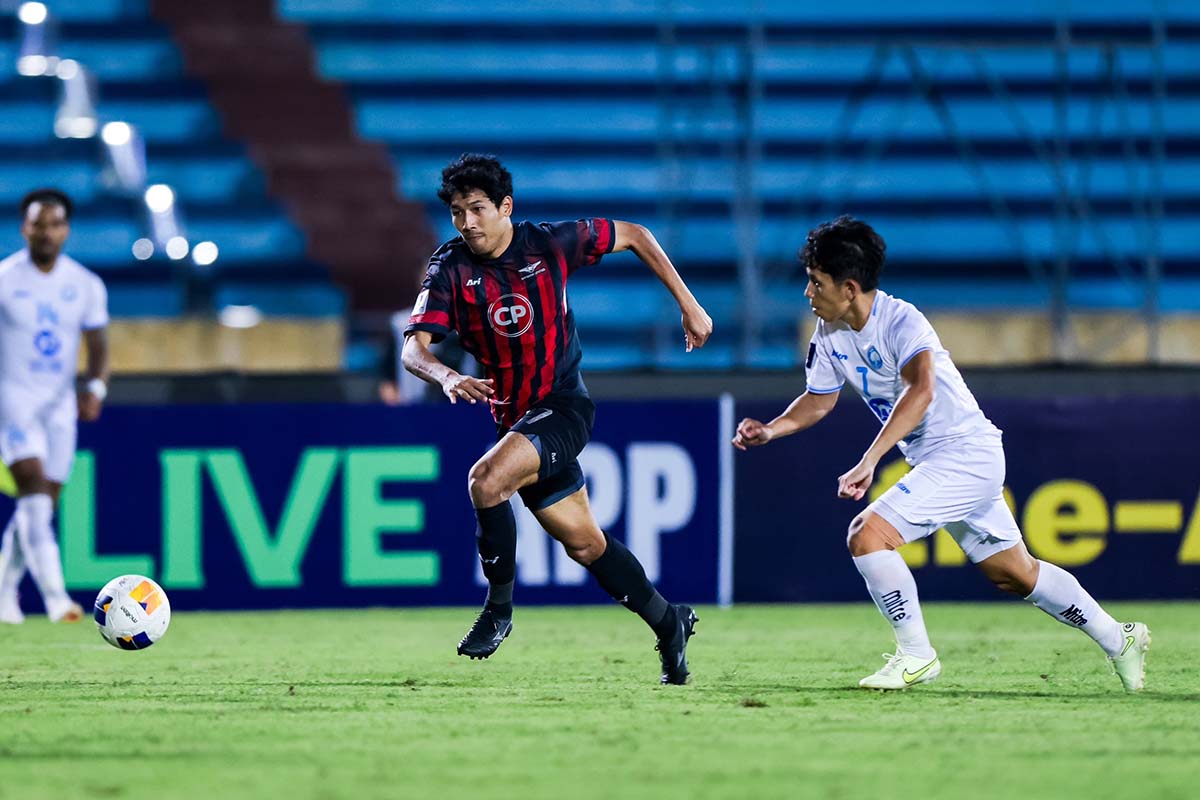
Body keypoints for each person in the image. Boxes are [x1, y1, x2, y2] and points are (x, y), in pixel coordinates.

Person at [732, 215, 1150, 692]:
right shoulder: (828, 335)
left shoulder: (901, 320)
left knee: (866, 535)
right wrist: (771, 429)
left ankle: (916, 656)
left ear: (849, 287)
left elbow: (921, 392)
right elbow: (819, 400)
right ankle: (1121, 639)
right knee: (1015, 574)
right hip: (940, 462)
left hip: (966, 454)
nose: (808, 293)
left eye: (815, 282)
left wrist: (869, 461)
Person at [403, 154, 713, 684]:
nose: (467, 223)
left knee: (485, 480)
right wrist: (447, 377)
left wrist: (689, 304)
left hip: (564, 406)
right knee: (585, 544)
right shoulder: (450, 267)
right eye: (457, 212)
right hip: (515, 421)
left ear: (506, 207)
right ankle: (670, 622)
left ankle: (498, 610)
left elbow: (635, 234)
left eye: (477, 209)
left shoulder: (549, 244)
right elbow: (414, 349)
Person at [0, 189, 109, 624]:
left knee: (43, 503)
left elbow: (98, 343)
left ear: (66, 230)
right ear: (24, 227)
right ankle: (56, 598)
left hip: (59, 405)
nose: (45, 232)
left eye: (54, 224)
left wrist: (95, 387)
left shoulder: (84, 284)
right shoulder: (5, 278)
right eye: (37, 223)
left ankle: (4, 591)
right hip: (13, 399)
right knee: (31, 487)